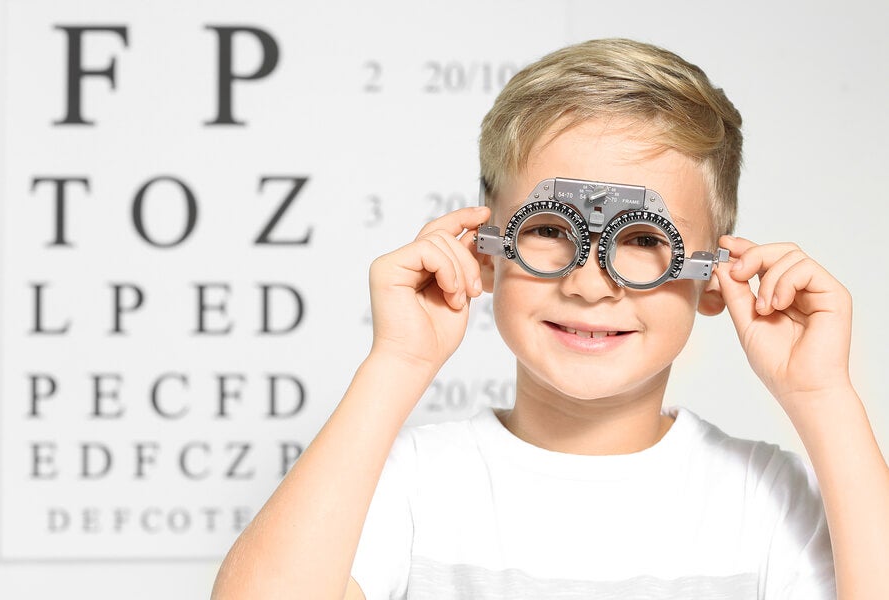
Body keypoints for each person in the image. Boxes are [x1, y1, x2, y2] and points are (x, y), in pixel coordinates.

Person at [211, 38, 889, 599]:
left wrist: (823, 397)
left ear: (712, 274)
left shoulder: (766, 500)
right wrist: (397, 363)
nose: (590, 284)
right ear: (483, 250)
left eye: (645, 240)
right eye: (549, 230)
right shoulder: (412, 483)